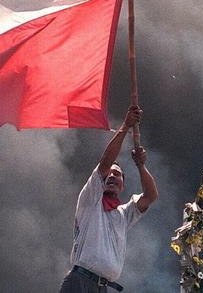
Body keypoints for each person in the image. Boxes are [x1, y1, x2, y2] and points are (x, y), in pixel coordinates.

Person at [60, 106, 158, 292]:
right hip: (79, 282)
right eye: (109, 174)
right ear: (101, 180)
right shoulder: (90, 199)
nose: (112, 176)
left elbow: (150, 196)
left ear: (122, 185)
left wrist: (140, 165)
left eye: (118, 174)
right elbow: (105, 163)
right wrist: (125, 127)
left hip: (102, 287)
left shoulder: (123, 213)